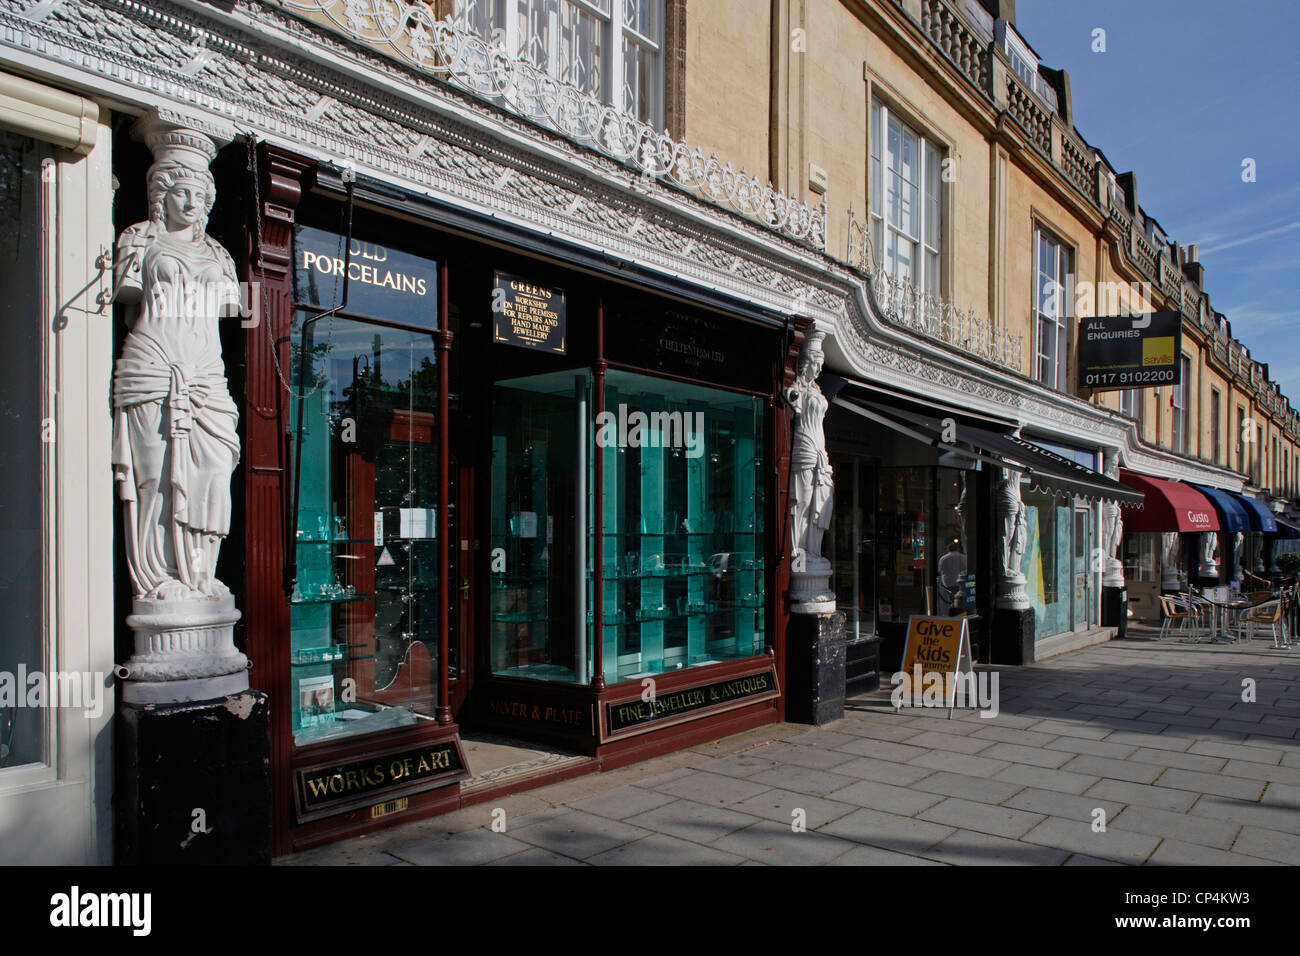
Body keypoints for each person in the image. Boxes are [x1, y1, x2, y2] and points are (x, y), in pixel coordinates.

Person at [112, 129, 241, 600]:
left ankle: (201, 574)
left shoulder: (220, 257)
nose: (190, 202)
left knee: (213, 468)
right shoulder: (138, 240)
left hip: (207, 371)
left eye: (199, 194)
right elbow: (126, 299)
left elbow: (230, 309)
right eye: (180, 191)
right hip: (153, 364)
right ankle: (159, 577)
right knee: (158, 478)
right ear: (160, 195)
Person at [938, 539, 967, 613]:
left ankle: (953, 609)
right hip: (960, 581)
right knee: (958, 598)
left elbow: (940, 570)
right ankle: (956, 610)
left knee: (951, 597)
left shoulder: (943, 558)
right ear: (958, 548)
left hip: (947, 582)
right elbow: (966, 568)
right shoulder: (963, 557)